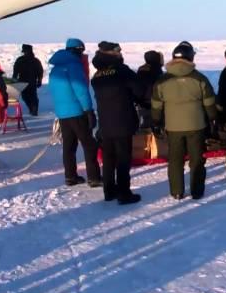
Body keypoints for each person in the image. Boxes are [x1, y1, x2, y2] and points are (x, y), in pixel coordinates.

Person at [151, 41, 217, 200]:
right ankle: (196, 190)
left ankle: (177, 191)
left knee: (175, 160)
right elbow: (209, 102)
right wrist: (213, 119)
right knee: (197, 160)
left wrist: (156, 122)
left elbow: (156, 105)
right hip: (196, 125)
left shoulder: (162, 81)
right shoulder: (199, 78)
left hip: (173, 127)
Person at [91, 41, 146, 204]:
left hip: (105, 122)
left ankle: (109, 191)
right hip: (123, 120)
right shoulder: (122, 71)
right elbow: (139, 90)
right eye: (118, 52)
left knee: (108, 158)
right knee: (123, 159)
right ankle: (124, 193)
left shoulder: (97, 75)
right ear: (113, 54)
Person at [49, 38, 102, 187]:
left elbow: (53, 91)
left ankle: (70, 176)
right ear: (78, 50)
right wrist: (88, 110)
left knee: (69, 146)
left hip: (63, 113)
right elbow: (81, 89)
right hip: (77, 111)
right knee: (89, 144)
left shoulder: (55, 68)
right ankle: (94, 177)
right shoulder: (73, 65)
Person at [12, 44, 44, 116]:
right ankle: (33, 109)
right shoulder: (35, 60)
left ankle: (32, 109)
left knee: (26, 96)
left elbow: (15, 72)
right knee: (31, 96)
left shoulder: (20, 60)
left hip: (23, 82)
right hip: (31, 82)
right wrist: (39, 80)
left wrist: (14, 80)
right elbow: (40, 72)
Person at [136, 50, 164, 128]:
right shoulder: (157, 71)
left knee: (145, 126)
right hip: (156, 104)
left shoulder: (141, 70)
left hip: (143, 103)